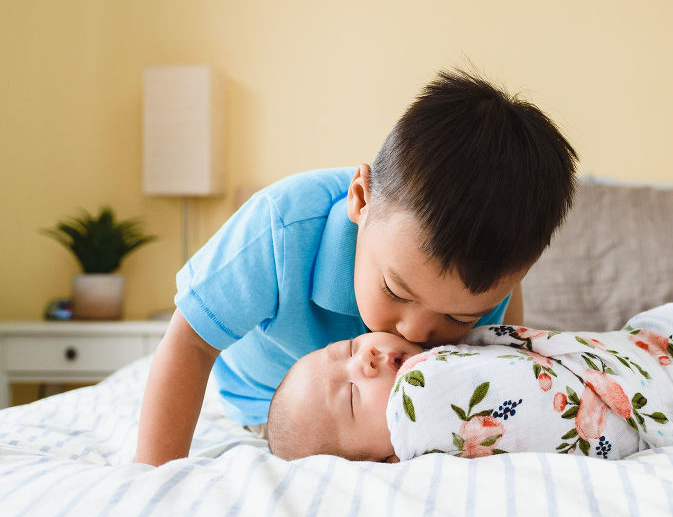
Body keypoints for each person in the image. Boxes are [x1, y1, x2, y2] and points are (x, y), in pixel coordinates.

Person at [135, 69, 579, 466]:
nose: (418, 332)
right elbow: (190, 343)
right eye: (397, 292)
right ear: (361, 200)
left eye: (458, 318)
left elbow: (505, 372)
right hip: (263, 401)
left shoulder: (493, 288)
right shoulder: (281, 228)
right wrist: (152, 482)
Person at [267, 289, 673, 462]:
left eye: (348, 346)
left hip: (649, 351)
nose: (365, 359)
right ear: (380, 456)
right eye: (351, 394)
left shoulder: (461, 343)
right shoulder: (426, 403)